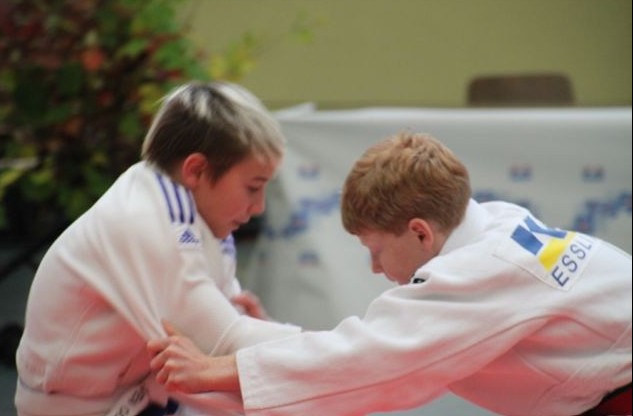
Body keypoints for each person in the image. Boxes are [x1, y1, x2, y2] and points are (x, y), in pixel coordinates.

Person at [148, 132, 632, 416]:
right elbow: (393, 346)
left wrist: (213, 370)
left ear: (420, 232)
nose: (376, 267)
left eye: (375, 250)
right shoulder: (496, 224)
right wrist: (270, 337)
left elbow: (373, 357)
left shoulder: (481, 269)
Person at [14, 81, 302, 416]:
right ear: (196, 170)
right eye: (253, 187)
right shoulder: (144, 220)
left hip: (141, 398)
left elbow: (223, 350)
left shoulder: (201, 219)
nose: (259, 206)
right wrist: (336, 351)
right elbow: (223, 345)